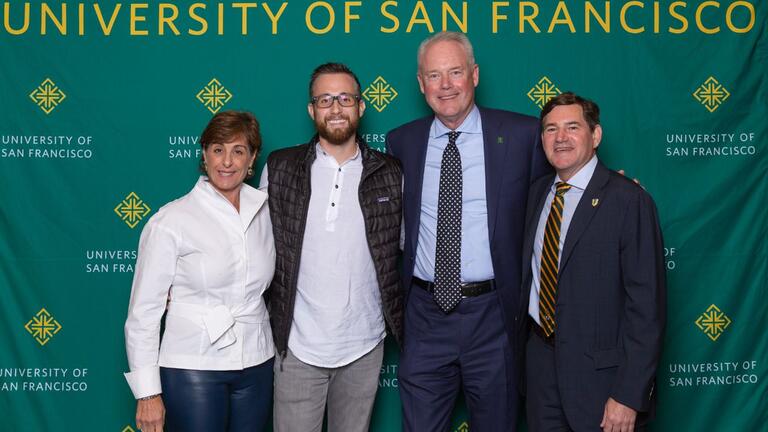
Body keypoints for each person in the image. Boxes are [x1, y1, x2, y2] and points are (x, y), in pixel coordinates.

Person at [386, 31, 552, 431]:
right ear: (421, 84)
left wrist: (609, 188)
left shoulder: (523, 135)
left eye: (455, 72)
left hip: (494, 315)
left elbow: (556, 195)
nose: (446, 85)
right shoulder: (401, 141)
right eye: (435, 75)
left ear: (474, 75)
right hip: (424, 315)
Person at [259, 62, 403, 432]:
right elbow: (250, 246)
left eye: (344, 98)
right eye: (325, 99)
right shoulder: (280, 167)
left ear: (360, 107)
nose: (335, 108)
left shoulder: (391, 172)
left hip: (363, 345)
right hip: (297, 344)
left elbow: (410, 246)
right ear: (311, 110)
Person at [519, 92, 666, 432]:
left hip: (603, 384)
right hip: (542, 375)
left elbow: (646, 309)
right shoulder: (535, 195)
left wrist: (629, 394)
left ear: (595, 135)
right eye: (551, 129)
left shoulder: (629, 200)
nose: (561, 138)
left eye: (573, 127)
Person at [124, 111, 275, 432]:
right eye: (218, 149)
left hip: (257, 362)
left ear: (252, 159)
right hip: (193, 365)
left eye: (238, 150)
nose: (227, 161)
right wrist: (147, 392)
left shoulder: (266, 212)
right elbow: (143, 313)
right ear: (204, 154)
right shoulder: (170, 221)